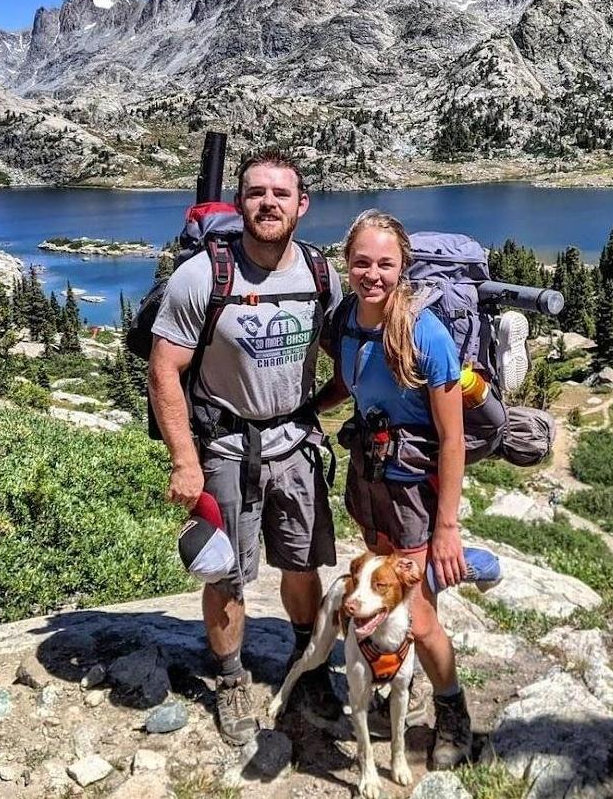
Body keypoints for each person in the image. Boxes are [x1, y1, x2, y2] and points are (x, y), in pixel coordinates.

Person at [148, 147, 343, 746]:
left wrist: (328, 402)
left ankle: (306, 665)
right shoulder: (203, 275)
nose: (269, 203)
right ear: (240, 204)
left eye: (281, 194)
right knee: (226, 574)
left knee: (302, 563)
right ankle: (231, 679)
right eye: (257, 193)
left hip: (295, 441)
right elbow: (164, 371)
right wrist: (185, 460)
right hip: (226, 449)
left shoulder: (317, 272)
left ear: (301, 205)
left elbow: (351, 342)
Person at [319, 208, 473, 768]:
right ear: (347, 264)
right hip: (370, 482)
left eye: (386, 263)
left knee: (420, 617)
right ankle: (390, 680)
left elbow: (452, 441)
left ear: (402, 265)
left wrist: (447, 528)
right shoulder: (347, 321)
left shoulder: (424, 333)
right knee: (378, 594)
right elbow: (348, 379)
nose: (373, 274)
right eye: (362, 262)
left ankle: (453, 711)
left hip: (413, 496)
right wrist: (305, 410)